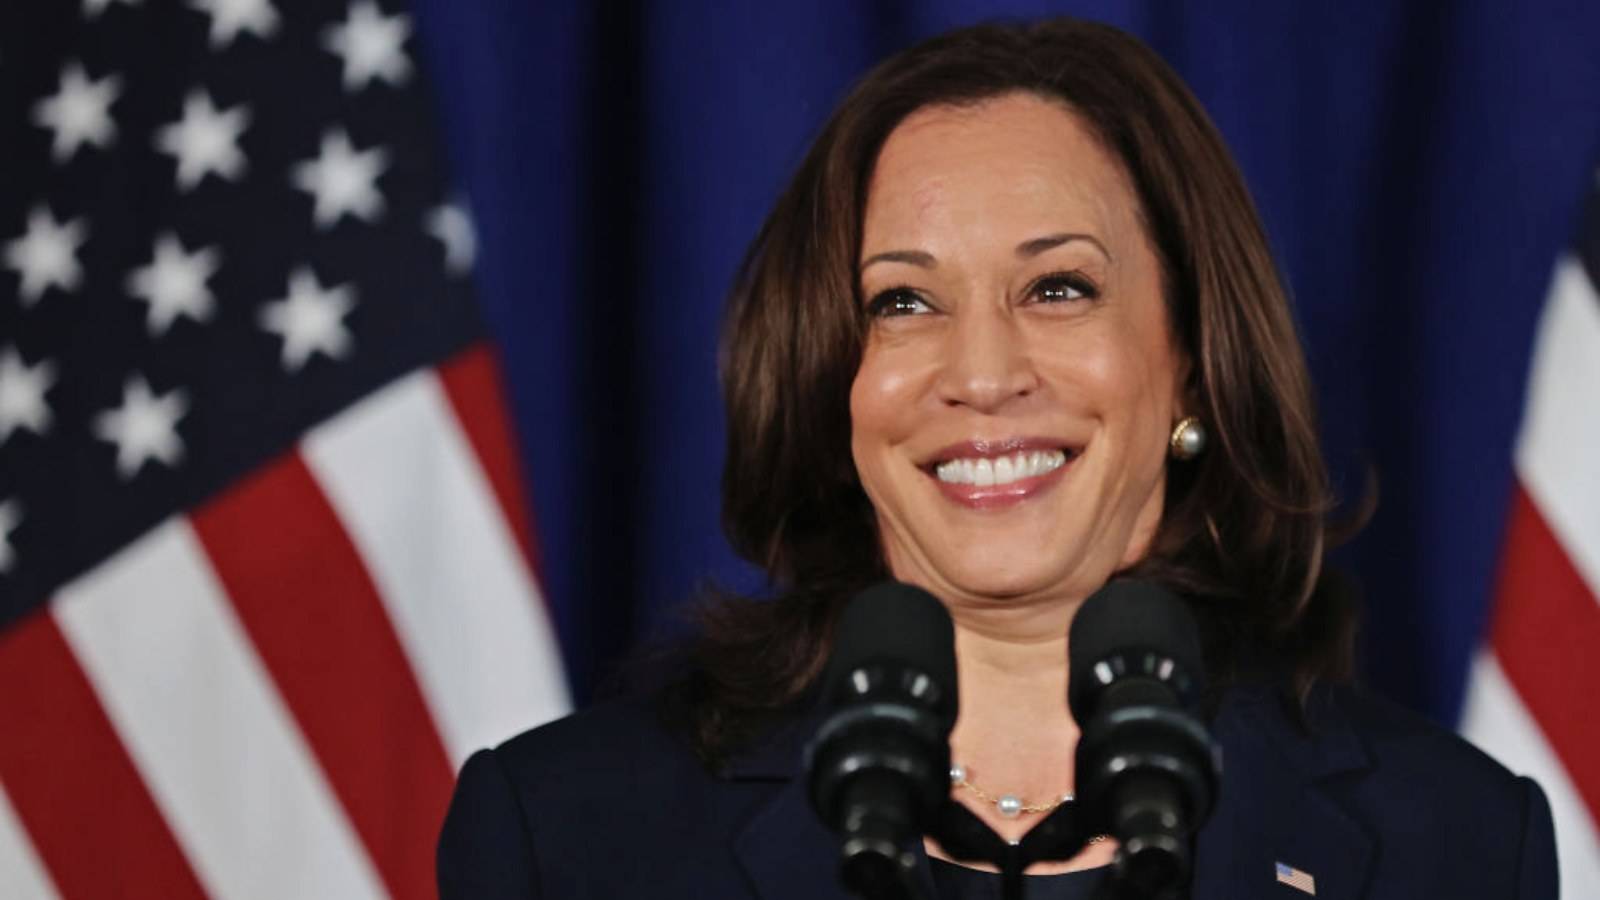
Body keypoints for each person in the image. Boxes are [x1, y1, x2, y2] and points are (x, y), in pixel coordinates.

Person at [437, 18, 1557, 900]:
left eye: (1057, 288)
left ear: (1194, 368)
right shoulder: (567, 835)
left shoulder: (1451, 843)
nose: (980, 372)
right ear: (835, 392)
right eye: (904, 301)